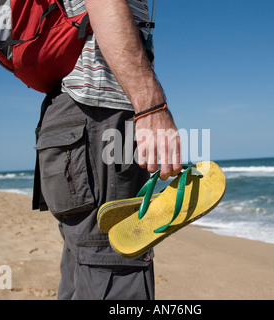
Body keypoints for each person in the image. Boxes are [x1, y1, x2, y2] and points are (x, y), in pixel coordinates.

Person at [33, 0, 182, 300]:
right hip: (101, 116)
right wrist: (151, 105)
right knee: (115, 262)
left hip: (68, 122)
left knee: (86, 268)